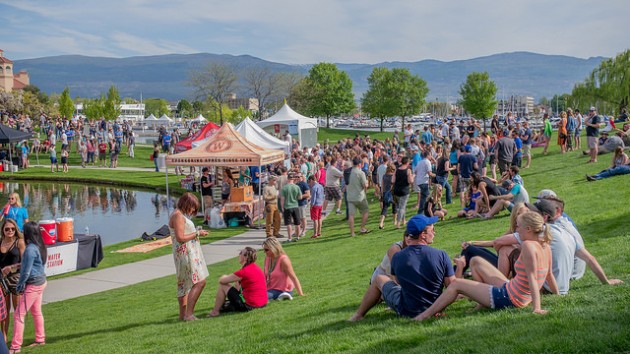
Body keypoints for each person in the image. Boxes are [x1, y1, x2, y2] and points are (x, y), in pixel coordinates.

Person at [414, 211, 558, 321]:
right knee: (476, 261)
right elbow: (549, 274)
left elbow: (532, 277)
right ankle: (481, 303)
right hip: (514, 290)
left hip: (509, 297)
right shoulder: (545, 245)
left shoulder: (528, 245)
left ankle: (424, 316)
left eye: (518, 227)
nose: (516, 230)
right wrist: (558, 295)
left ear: (528, 229)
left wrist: (537, 308)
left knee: (456, 284)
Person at [349, 215, 455, 321]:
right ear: (423, 235)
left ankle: (358, 315)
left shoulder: (398, 257)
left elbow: (399, 283)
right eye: (432, 230)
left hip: (407, 310)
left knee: (378, 279)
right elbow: (451, 286)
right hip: (435, 307)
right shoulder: (441, 255)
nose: (434, 233)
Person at [168, 192, 209, 321]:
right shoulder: (178, 216)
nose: (192, 211)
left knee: (183, 284)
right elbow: (180, 238)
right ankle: (189, 314)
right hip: (186, 253)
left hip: (184, 253)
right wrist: (197, 233)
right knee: (200, 282)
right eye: (192, 207)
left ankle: (183, 316)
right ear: (187, 204)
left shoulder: (177, 214)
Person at [10, 222, 48, 353]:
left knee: (18, 315)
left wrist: (20, 286)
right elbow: (34, 264)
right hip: (41, 282)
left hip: (34, 284)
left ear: (27, 233)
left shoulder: (30, 249)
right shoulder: (39, 245)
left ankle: (15, 347)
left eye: (23, 230)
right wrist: (13, 267)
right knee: (36, 312)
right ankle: (40, 339)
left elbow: (26, 271)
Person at [208, 247, 267, 317]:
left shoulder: (244, 272)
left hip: (250, 306)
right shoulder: (255, 267)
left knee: (222, 285)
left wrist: (224, 276)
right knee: (237, 282)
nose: (239, 255)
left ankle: (215, 312)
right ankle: (223, 306)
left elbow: (221, 280)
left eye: (240, 253)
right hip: (262, 303)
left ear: (246, 257)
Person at [0, 218, 25, 343]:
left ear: (16, 229)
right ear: (3, 230)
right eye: (7, 229)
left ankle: (17, 340)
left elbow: (25, 262)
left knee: (17, 311)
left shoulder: (19, 242)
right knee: (3, 313)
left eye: (12, 229)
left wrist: (11, 268)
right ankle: (4, 339)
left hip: (16, 279)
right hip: (1, 280)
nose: (10, 231)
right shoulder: (0, 242)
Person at [347, 156, 370, 237]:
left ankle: (352, 233)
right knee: (366, 211)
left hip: (350, 196)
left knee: (351, 215)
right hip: (360, 197)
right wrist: (367, 182)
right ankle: (362, 227)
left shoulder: (348, 172)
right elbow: (365, 185)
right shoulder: (361, 173)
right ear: (360, 164)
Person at [280, 173, 302, 242]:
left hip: (287, 206)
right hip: (295, 206)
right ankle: (298, 237)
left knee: (288, 223)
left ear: (288, 179)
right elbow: (300, 197)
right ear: (293, 179)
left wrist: (282, 208)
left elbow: (282, 200)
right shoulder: (297, 187)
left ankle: (289, 238)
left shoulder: (284, 188)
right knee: (297, 223)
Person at [414, 150, 434, 215]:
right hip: (424, 182)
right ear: (428, 155)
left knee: (423, 197)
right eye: (430, 155)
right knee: (429, 197)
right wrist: (436, 175)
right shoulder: (427, 162)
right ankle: (429, 211)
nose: (431, 156)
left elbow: (415, 171)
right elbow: (429, 173)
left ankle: (423, 212)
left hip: (418, 181)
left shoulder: (420, 162)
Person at [378, 163, 397, 230]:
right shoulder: (393, 176)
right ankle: (394, 221)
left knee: (384, 208)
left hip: (385, 193)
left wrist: (382, 193)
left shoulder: (384, 176)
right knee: (394, 207)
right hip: (393, 193)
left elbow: (382, 185)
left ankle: (381, 223)